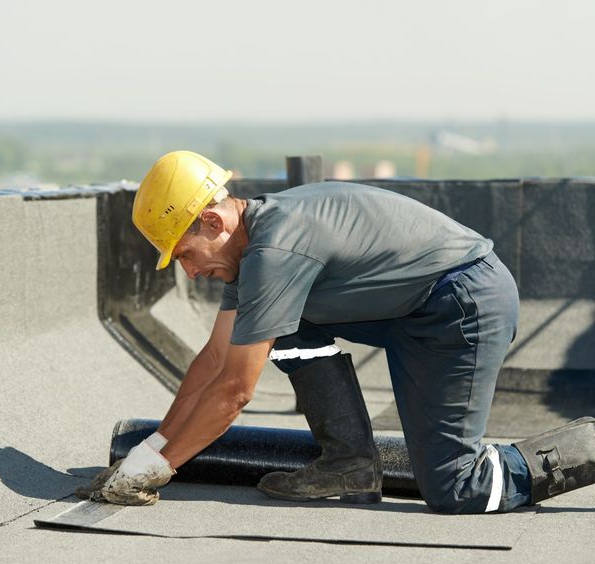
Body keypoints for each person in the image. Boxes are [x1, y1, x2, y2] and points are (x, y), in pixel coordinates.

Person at [81, 150, 595, 512]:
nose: (189, 273)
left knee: (459, 488)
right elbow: (214, 363)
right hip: (414, 312)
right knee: (277, 326)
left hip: (462, 306)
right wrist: (150, 448)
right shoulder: (252, 253)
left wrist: (158, 469)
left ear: (214, 224)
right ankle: (348, 463)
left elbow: (234, 392)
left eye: (187, 256)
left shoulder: (276, 251)